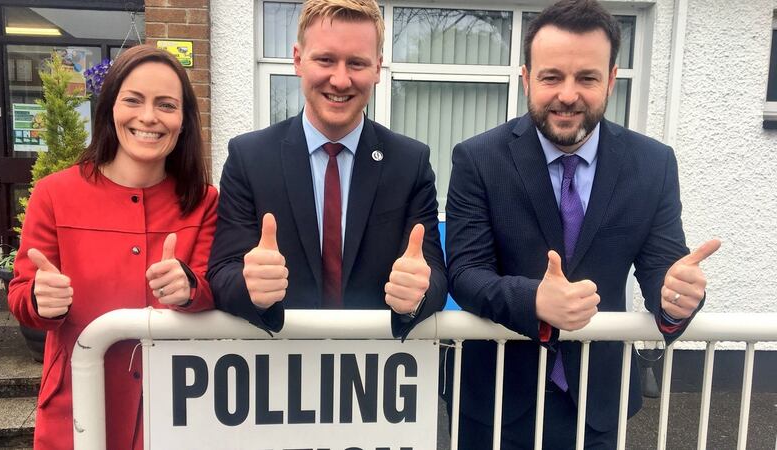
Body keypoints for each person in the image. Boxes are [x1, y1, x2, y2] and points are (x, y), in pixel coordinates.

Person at [444, 0, 721, 448]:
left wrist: (675, 298)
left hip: (597, 400)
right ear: (526, 78)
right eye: (551, 76)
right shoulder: (478, 159)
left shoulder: (653, 164)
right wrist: (535, 299)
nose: (568, 95)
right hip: (494, 397)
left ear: (611, 79)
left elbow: (662, 272)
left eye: (587, 78)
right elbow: (465, 272)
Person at [7, 45, 218, 450]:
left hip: (175, 414)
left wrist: (191, 289)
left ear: (184, 122)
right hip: (77, 410)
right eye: (133, 100)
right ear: (110, 108)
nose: (148, 117)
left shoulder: (205, 200)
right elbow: (21, 294)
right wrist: (39, 298)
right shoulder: (55, 194)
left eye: (166, 105)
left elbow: (212, 289)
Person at [208, 0, 446, 339]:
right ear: (297, 60)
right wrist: (250, 288)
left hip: (375, 375)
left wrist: (418, 294)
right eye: (325, 60)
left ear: (377, 68)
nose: (340, 79)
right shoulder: (249, 158)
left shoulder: (410, 162)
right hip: (276, 371)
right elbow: (221, 272)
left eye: (357, 63)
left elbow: (434, 273)